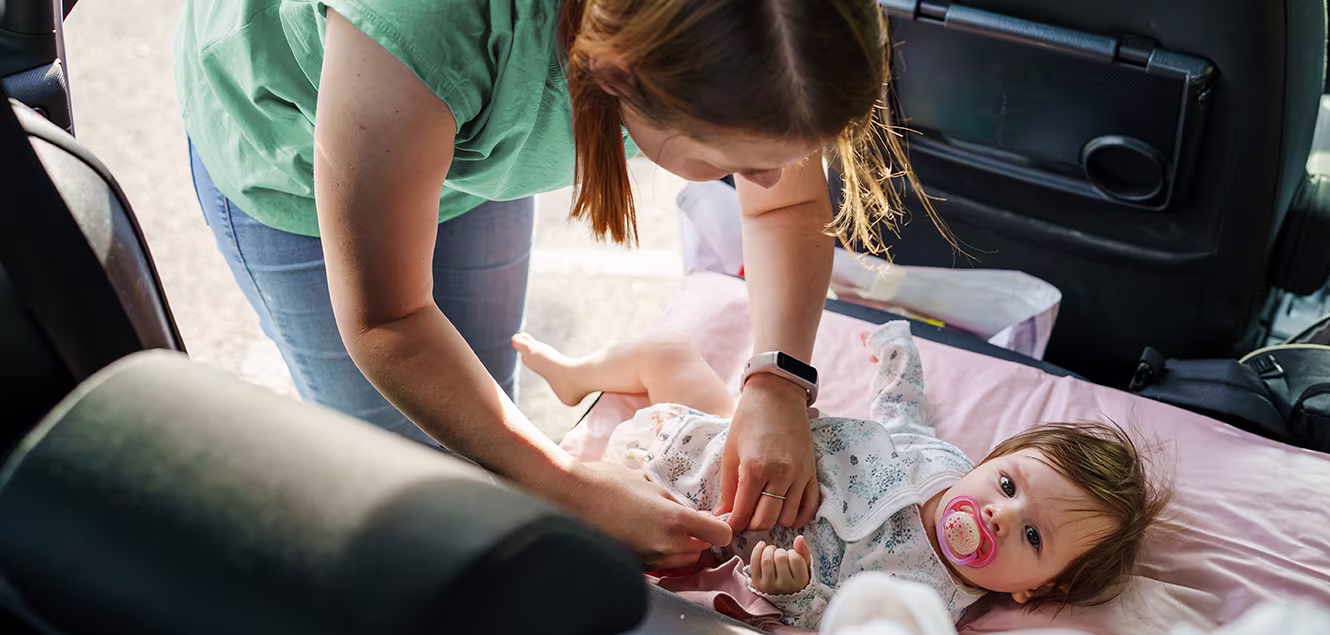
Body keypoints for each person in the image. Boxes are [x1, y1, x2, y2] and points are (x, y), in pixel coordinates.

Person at [174, 0, 926, 569]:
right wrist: (568, 483)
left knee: (480, 418)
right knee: (407, 477)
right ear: (617, 73)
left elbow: (788, 207)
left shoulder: (770, 27)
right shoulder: (423, 24)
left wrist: (778, 379)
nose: (767, 181)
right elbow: (387, 318)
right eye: (732, 160)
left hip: (454, 122)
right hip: (291, 153)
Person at [513, 321, 1171, 629]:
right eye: (1008, 484)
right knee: (667, 350)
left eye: (1032, 537)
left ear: (1036, 590)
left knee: (643, 540)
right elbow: (902, 414)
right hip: (733, 434)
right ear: (994, 462)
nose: (1001, 513)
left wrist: (793, 589)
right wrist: (896, 356)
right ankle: (580, 376)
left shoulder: (929, 599)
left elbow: (840, 617)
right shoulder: (944, 466)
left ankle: (548, 469)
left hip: (700, 507)